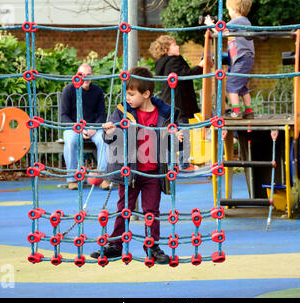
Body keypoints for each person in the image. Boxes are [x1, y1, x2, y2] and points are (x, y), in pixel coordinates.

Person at [90, 66, 183, 265]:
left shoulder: (164, 113)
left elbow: (174, 139)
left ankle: (152, 246)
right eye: (126, 93)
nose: (128, 97)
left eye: (132, 94)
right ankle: (115, 245)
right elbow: (110, 139)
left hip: (153, 174)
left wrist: (177, 136)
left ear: (146, 94)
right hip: (129, 171)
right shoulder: (123, 111)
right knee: (124, 208)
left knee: (152, 211)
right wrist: (109, 131)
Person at [149, 35, 207, 170]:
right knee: (183, 132)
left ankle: (171, 163)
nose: (178, 46)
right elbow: (186, 76)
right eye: (174, 45)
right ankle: (184, 163)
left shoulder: (163, 63)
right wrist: (200, 66)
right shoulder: (174, 61)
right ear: (166, 49)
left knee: (172, 131)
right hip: (179, 102)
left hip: (170, 101)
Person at [60, 63, 110, 190]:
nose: (85, 78)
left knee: (104, 139)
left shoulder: (97, 90)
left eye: (88, 75)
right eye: (81, 75)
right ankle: (73, 179)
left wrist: (94, 127)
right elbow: (64, 115)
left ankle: (104, 176)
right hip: (73, 127)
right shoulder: (69, 90)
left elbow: (101, 113)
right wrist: (78, 128)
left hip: (93, 127)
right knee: (71, 141)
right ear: (76, 76)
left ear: (92, 76)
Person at [205, 0, 255, 119]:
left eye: (229, 11)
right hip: (243, 58)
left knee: (232, 84)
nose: (229, 13)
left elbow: (221, 32)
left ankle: (236, 111)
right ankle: (249, 111)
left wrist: (210, 25)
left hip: (242, 58)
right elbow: (225, 31)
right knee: (242, 86)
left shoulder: (238, 21)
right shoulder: (243, 22)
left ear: (235, 10)